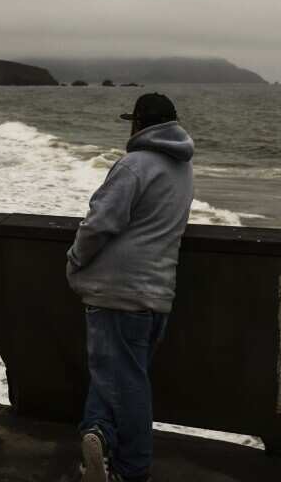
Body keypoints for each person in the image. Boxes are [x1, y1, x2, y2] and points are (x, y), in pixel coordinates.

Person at [65, 92, 195, 482]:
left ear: (139, 125)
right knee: (117, 376)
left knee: (126, 383)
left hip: (117, 293)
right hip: (157, 294)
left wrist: (75, 260)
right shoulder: (183, 169)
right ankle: (98, 437)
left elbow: (100, 223)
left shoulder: (133, 165)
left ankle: (132, 469)